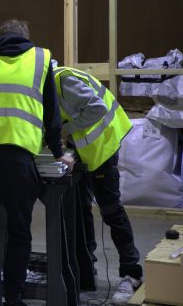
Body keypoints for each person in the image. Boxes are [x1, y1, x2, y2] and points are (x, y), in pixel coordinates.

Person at [0, 19, 74, 306]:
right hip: (17, 156)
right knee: (18, 230)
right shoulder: (41, 58)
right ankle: (13, 299)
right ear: (26, 37)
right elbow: (51, 112)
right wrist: (58, 150)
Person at [52, 64, 139, 303]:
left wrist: (63, 130)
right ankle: (86, 270)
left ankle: (131, 274)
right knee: (80, 209)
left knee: (110, 210)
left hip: (103, 145)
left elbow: (97, 108)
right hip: (84, 149)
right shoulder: (47, 84)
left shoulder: (62, 81)